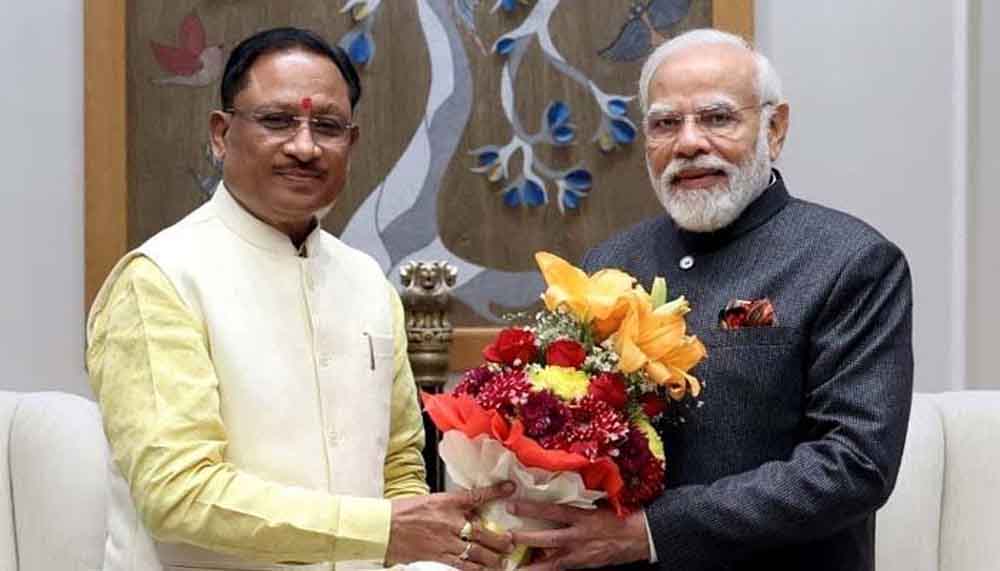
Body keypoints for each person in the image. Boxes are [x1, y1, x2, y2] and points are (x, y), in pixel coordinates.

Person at [86, 27, 512, 571]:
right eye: (277, 120)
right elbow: (179, 495)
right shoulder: (160, 279)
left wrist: (431, 551)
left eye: (327, 127)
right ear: (221, 134)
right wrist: (383, 532)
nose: (305, 147)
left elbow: (399, 469)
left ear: (351, 143)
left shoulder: (368, 283)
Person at [507, 29, 913, 571]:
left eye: (718, 118)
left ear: (775, 128)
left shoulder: (850, 261)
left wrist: (653, 533)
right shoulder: (609, 264)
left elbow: (854, 465)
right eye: (665, 124)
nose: (689, 143)